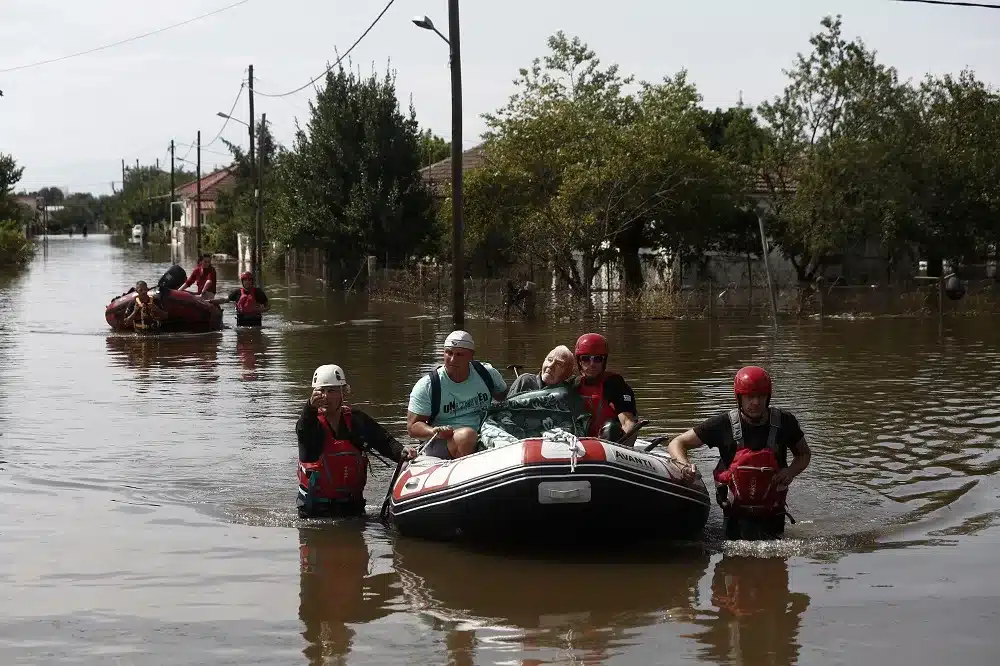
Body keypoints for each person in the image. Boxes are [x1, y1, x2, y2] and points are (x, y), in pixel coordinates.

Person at [665, 365, 812, 540]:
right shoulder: (722, 424)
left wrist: (791, 471)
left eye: (761, 396)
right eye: (750, 397)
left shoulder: (785, 422)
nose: (756, 402)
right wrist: (684, 465)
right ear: (739, 398)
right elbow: (677, 442)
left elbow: (803, 454)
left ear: (768, 397)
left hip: (773, 514)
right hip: (734, 516)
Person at [297, 364, 417, 518]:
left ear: (343, 393)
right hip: (315, 510)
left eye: (331, 391)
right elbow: (307, 454)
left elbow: (384, 441)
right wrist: (309, 408)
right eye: (321, 391)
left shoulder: (356, 420)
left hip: (353, 507)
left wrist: (402, 452)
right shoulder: (309, 423)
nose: (325, 397)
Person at [406, 330, 508, 460]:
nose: (453, 359)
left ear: (471, 356)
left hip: (486, 433)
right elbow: (412, 427)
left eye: (459, 354)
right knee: (467, 436)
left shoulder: (487, 373)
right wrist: (435, 432)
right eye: (449, 353)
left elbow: (506, 399)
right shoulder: (428, 385)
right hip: (445, 441)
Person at [572, 333, 639, 440]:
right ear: (579, 361)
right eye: (586, 359)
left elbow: (627, 422)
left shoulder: (616, 385)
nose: (592, 364)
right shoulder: (572, 385)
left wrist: (624, 448)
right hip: (577, 445)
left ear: (604, 361)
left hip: (610, 444)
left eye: (597, 359)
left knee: (611, 428)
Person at [506, 345, 575, 397]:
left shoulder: (569, 392)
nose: (550, 365)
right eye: (549, 360)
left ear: (568, 374)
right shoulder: (525, 381)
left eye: (558, 364)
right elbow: (505, 410)